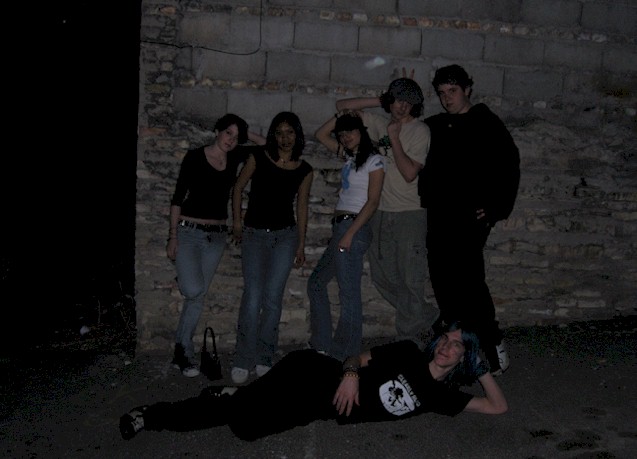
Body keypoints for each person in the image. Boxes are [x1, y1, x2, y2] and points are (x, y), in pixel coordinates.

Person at [119, 321, 508, 441]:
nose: (446, 347)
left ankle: (234, 394)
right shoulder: (408, 352)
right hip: (314, 374)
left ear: (463, 357)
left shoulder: (441, 396)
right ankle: (148, 416)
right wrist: (351, 375)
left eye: (457, 346)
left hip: (319, 408)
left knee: (246, 429)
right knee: (235, 413)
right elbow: (357, 358)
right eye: (445, 339)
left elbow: (497, 406)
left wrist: (481, 369)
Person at [419, 64, 521, 376]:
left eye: (452, 91)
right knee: (442, 281)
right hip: (439, 215)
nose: (447, 98)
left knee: (469, 284)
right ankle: (455, 350)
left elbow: (509, 165)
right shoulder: (436, 125)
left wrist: (494, 208)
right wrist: (405, 98)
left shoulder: (485, 123)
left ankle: (492, 344)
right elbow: (408, 132)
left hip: (468, 218)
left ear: (467, 90)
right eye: (441, 93)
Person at [335, 77, 439, 349]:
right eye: (397, 100)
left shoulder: (420, 131)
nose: (402, 106)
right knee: (382, 277)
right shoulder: (378, 122)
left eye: (408, 102)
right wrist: (380, 101)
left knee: (410, 278)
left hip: (409, 213)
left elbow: (409, 173)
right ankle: (429, 316)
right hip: (381, 211)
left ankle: (408, 342)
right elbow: (342, 106)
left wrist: (393, 139)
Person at [167, 113, 258, 377]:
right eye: (228, 133)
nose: (231, 140)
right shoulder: (195, 157)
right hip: (189, 232)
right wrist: (172, 236)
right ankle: (185, 278)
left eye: (236, 137)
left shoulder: (235, 157)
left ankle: (182, 352)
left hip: (216, 236)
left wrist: (245, 134)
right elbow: (177, 198)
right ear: (217, 131)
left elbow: (267, 145)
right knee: (193, 289)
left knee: (197, 297)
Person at [230, 111, 314, 384]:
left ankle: (264, 356)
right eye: (279, 132)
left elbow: (302, 207)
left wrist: (301, 244)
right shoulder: (258, 157)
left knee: (273, 299)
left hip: (285, 238)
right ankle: (243, 358)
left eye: (290, 132)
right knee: (253, 297)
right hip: (255, 235)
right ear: (273, 135)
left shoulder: (304, 169)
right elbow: (238, 188)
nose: (285, 138)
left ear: (297, 135)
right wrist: (237, 222)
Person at [307, 113, 385, 361]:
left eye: (350, 131)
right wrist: (340, 116)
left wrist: (350, 234)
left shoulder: (374, 161)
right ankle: (323, 344)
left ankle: (345, 356)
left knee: (348, 293)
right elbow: (320, 134)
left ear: (362, 131)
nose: (345, 137)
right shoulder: (350, 157)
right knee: (317, 283)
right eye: (341, 134)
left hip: (354, 227)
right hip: (341, 228)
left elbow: (373, 202)